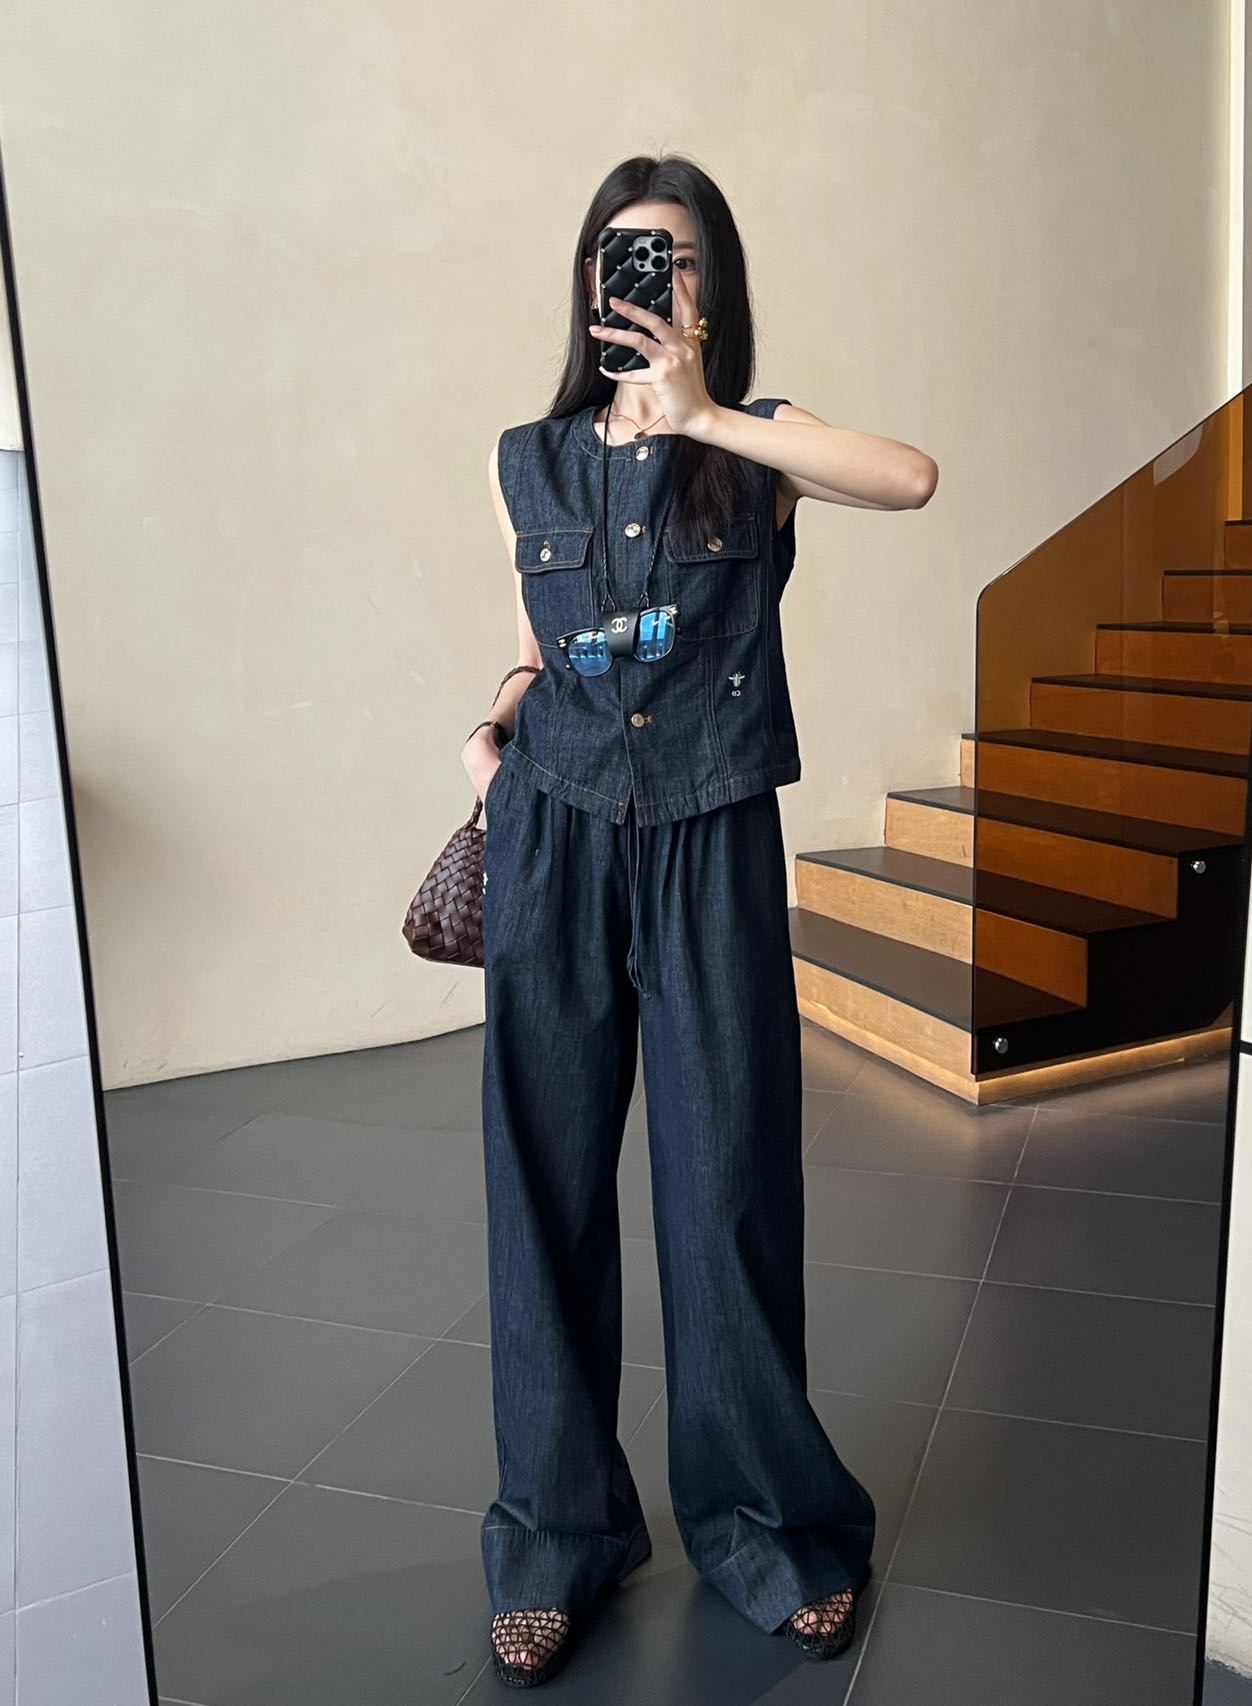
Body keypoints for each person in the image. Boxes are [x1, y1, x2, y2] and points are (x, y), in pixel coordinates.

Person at [460, 153, 938, 1688]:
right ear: (587, 281)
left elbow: (913, 478)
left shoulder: (757, 445)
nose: (646, 276)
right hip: (555, 835)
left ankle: (770, 1528)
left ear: (710, 286)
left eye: (671, 255)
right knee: (542, 1187)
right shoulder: (530, 458)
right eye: (623, 253)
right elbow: (536, 638)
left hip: (711, 834)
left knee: (726, 1180)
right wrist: (494, 726)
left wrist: (707, 411)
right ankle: (556, 1536)